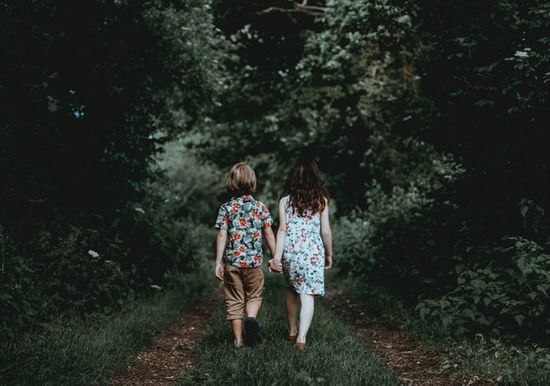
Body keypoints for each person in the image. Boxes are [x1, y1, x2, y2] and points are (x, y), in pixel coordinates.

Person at [269, 157, 333, 349]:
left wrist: (277, 257)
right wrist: (329, 254)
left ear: (293, 178)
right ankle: (302, 338)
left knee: (291, 291)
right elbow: (326, 231)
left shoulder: (285, 202)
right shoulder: (321, 201)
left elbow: (282, 230)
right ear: (315, 178)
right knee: (307, 295)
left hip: (291, 253)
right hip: (313, 253)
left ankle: (291, 331)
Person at [214, 162, 276, 347]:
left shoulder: (226, 208)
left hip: (232, 263)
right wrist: (275, 257)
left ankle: (238, 340)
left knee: (234, 300)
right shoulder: (260, 207)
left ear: (231, 182)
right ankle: (251, 318)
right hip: (254, 263)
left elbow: (222, 234)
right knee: (254, 296)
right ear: (252, 181)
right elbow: (269, 234)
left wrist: (218, 262)